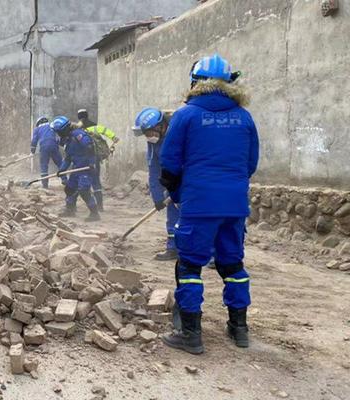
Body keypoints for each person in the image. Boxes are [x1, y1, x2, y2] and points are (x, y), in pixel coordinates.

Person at [159, 54, 259, 354]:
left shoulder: (186, 115)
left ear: (195, 82)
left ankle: (190, 334)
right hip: (234, 205)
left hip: (199, 203)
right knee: (233, 265)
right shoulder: (244, 116)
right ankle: (239, 329)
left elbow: (169, 163)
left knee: (189, 266)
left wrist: (178, 193)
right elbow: (251, 162)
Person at [132, 107, 179, 261]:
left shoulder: (179, 133)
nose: (148, 137)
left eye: (149, 132)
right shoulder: (154, 142)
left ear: (160, 126)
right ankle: (173, 249)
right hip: (171, 184)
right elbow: (153, 169)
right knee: (172, 216)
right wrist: (158, 197)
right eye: (145, 134)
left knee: (198, 217)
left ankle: (213, 254)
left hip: (189, 182)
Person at [50, 116, 100, 222]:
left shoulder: (78, 134)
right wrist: (62, 169)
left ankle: (94, 213)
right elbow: (68, 158)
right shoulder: (67, 140)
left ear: (63, 130)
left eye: (58, 132)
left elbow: (90, 147)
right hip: (76, 168)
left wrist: (92, 163)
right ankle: (70, 210)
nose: (57, 134)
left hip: (86, 168)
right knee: (69, 188)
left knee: (84, 190)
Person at [77, 109, 119, 211]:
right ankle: (100, 205)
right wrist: (114, 137)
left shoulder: (78, 129)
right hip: (95, 158)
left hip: (83, 159)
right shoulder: (95, 127)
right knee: (96, 181)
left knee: (80, 180)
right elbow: (106, 131)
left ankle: (77, 206)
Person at [30, 117, 63, 189]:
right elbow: (58, 137)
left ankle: (45, 185)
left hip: (44, 147)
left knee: (44, 165)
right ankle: (65, 180)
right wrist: (56, 144)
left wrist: (33, 150)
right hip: (54, 146)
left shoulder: (37, 129)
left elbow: (34, 140)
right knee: (60, 163)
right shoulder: (52, 126)